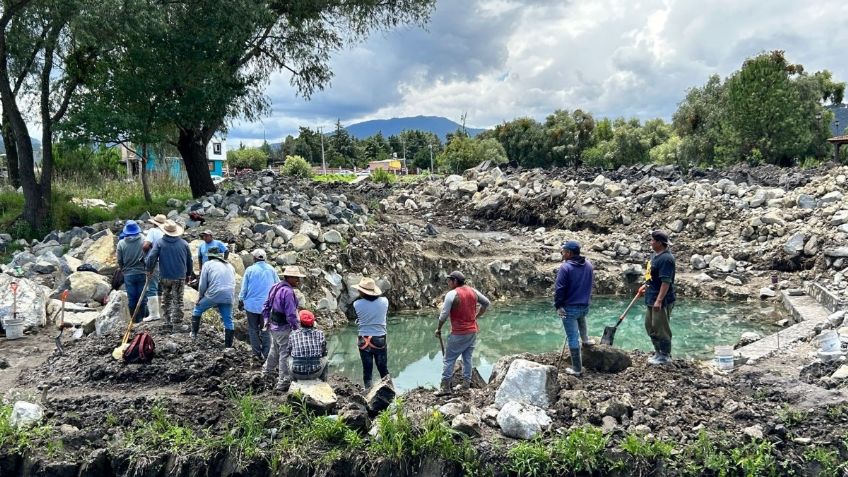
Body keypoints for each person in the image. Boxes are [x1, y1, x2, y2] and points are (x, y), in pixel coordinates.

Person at [434, 270, 490, 396]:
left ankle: (445, 388)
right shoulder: (473, 291)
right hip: (472, 331)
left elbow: (443, 315)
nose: (448, 282)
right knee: (467, 358)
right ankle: (466, 385)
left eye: (449, 280)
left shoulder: (452, 294)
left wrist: (438, 328)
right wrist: (476, 316)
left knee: (448, 360)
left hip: (459, 333)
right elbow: (486, 303)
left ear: (455, 281)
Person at [262, 265, 307, 392]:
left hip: (273, 325)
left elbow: (266, 305)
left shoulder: (275, 287)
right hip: (283, 327)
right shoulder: (288, 292)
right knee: (284, 353)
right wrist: (297, 329)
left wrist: (266, 320)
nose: (298, 281)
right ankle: (283, 381)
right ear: (290, 278)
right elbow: (291, 315)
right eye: (296, 278)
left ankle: (266, 372)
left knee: (274, 350)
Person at [554, 240, 595, 376]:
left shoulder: (565, 268)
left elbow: (560, 289)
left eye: (563, 251)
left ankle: (577, 369)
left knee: (572, 337)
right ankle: (586, 340)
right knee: (582, 320)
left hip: (569, 308)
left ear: (569, 253)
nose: (562, 253)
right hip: (584, 305)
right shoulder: (588, 265)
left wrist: (558, 305)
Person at [638, 230, 676, 365]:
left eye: (653, 240)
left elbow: (666, 282)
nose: (651, 242)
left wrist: (659, 300)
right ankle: (658, 352)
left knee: (661, 328)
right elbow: (652, 276)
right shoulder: (655, 255)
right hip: (651, 296)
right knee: (650, 326)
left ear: (660, 243)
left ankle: (665, 356)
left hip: (661, 300)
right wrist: (645, 285)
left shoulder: (666, 259)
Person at [145, 220, 192, 329]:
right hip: (179, 276)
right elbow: (189, 261)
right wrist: (189, 274)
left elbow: (151, 257)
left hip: (164, 276)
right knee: (178, 300)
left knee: (166, 299)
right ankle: (177, 324)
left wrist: (149, 269)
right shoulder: (184, 244)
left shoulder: (160, 243)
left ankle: (167, 321)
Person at [191, 247, 236, 346]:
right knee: (228, 320)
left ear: (210, 257)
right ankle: (228, 346)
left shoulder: (207, 265)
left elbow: (202, 284)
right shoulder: (230, 266)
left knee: (197, 309)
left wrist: (200, 296)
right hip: (229, 295)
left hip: (214, 294)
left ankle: (193, 334)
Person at [239, 249, 279, 359]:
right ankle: (266, 355)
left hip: (251, 305)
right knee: (266, 330)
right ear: (265, 258)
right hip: (267, 307)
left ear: (254, 258)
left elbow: (244, 288)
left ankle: (256, 353)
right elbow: (278, 286)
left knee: (253, 329)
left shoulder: (250, 270)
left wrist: (241, 299)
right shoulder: (271, 269)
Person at [352, 277, 389, 389]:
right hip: (379, 339)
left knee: (367, 370)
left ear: (362, 292)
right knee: (383, 368)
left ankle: (369, 392)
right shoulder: (384, 301)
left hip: (364, 339)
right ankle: (389, 392)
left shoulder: (357, 304)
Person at [116, 220, 147, 322]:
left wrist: (123, 269)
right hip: (142, 272)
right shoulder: (143, 239)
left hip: (129, 274)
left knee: (132, 298)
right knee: (142, 297)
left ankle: (135, 320)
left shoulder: (121, 243)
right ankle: (144, 318)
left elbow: (120, 260)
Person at [287, 310, 328, 381]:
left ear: (300, 322)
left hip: (297, 374)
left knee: (288, 359)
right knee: (326, 359)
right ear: (313, 322)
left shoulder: (293, 334)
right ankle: (323, 380)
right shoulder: (320, 333)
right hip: (316, 373)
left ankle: (293, 381)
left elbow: (288, 351)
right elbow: (324, 352)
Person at [141, 214, 167, 322]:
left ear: (154, 223)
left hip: (155, 262)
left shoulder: (153, 231)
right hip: (165, 263)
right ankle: (160, 312)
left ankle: (154, 314)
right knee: (160, 288)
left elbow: (145, 246)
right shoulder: (167, 233)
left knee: (151, 287)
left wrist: (147, 254)